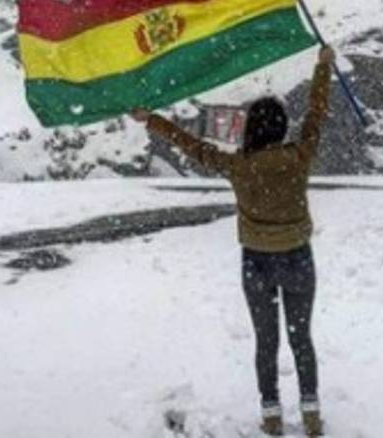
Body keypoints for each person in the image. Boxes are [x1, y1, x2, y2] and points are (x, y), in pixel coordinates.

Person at [131, 45, 334, 437]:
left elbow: (191, 146)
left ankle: (271, 414)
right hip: (297, 257)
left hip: (256, 261)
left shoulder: (237, 166)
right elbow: (316, 114)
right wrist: (323, 68)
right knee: (300, 337)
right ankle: (310, 414)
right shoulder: (299, 156)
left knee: (266, 341)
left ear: (251, 129)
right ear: (279, 128)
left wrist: (152, 120)